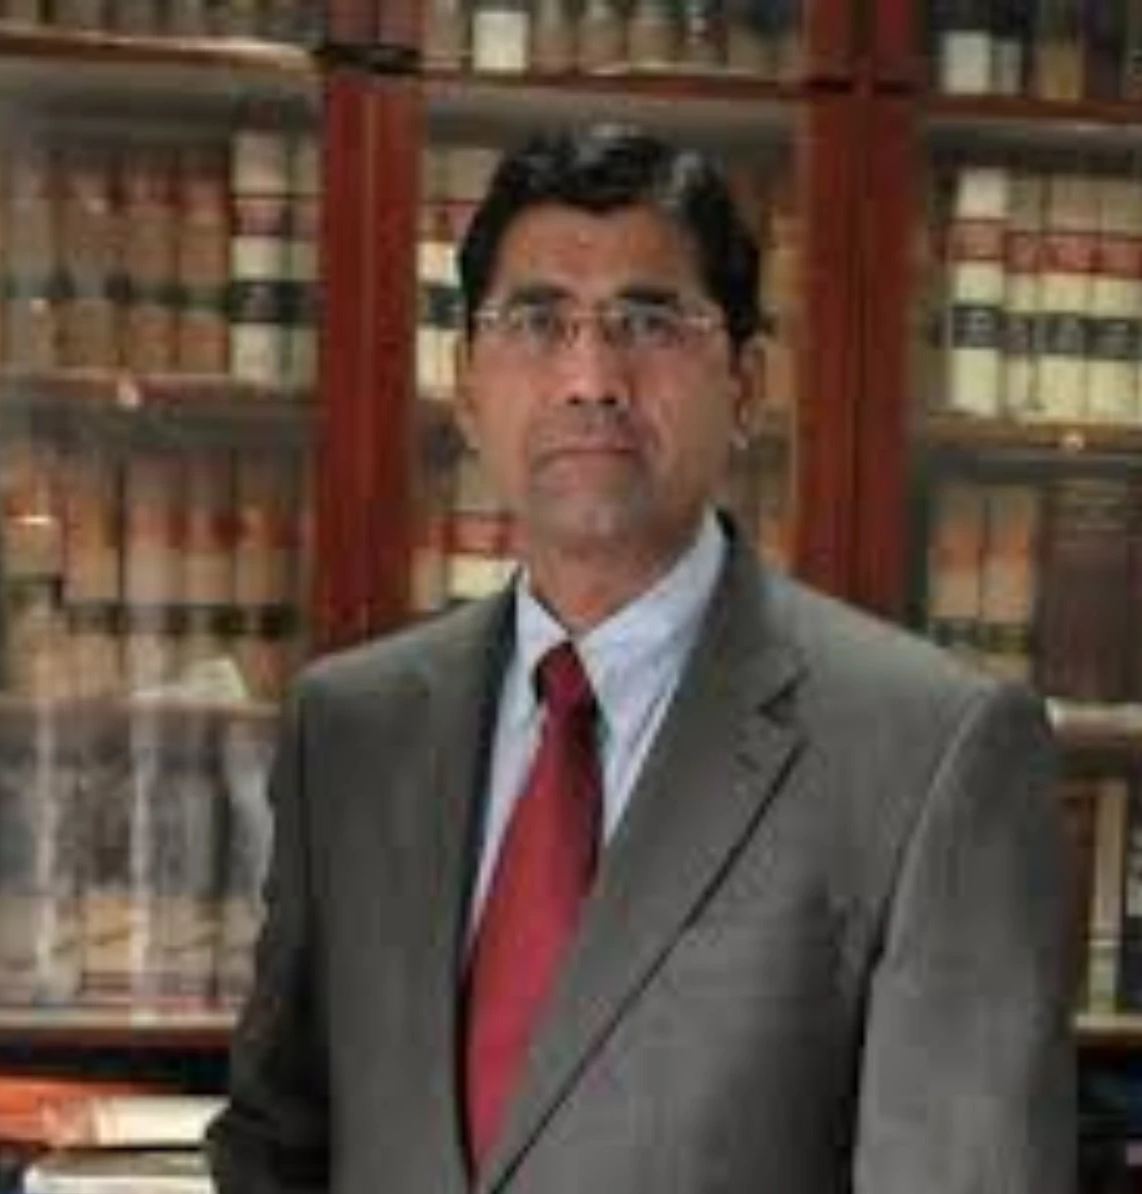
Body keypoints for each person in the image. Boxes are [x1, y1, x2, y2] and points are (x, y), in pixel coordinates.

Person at [208, 125, 1076, 1194]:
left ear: (746, 384)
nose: (590, 377)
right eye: (537, 321)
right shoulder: (350, 731)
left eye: (649, 322)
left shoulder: (930, 755)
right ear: (466, 386)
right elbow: (277, 1147)